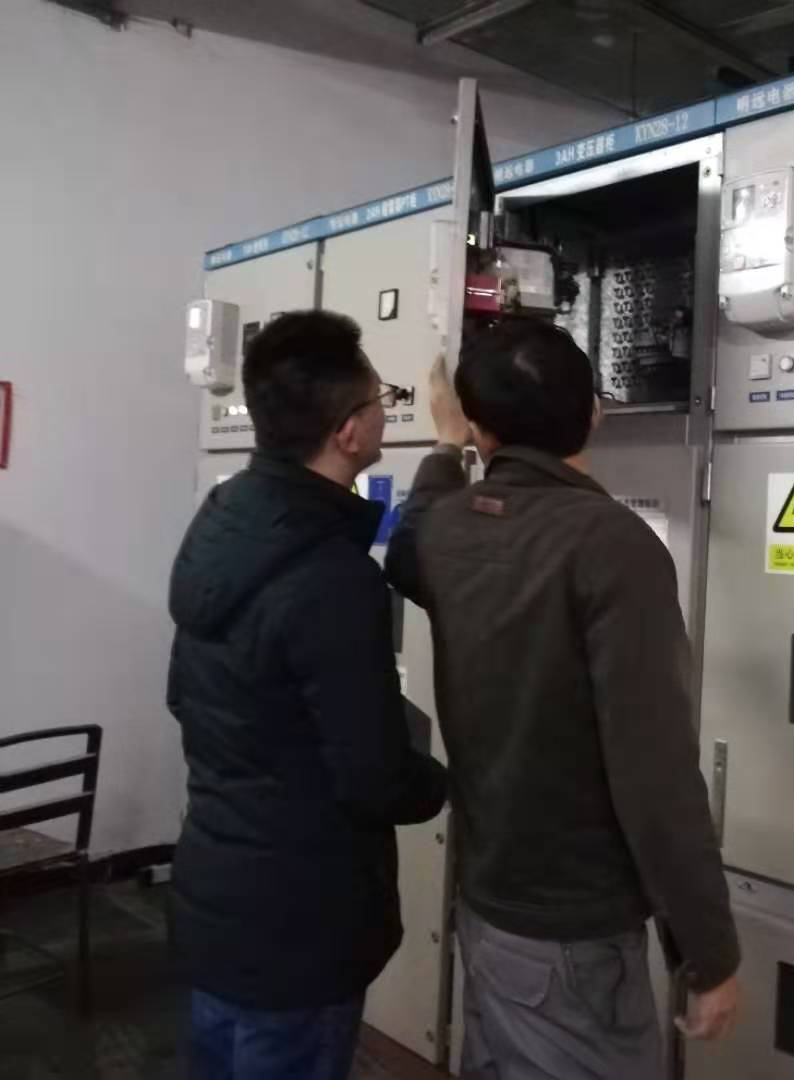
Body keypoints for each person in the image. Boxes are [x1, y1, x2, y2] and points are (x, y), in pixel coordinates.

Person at [386, 318, 741, 1080]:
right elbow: (655, 774)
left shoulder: (447, 530)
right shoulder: (612, 543)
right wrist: (707, 950)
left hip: (487, 907)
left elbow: (407, 551)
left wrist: (445, 447)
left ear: (480, 430)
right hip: (574, 939)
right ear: (594, 415)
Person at [167, 311, 449, 1080]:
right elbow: (373, 777)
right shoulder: (332, 576)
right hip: (302, 925)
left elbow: (185, 698)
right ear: (350, 432)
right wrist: (444, 780)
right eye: (383, 400)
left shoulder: (223, 523)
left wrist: (444, 456)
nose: (388, 412)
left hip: (218, 898)